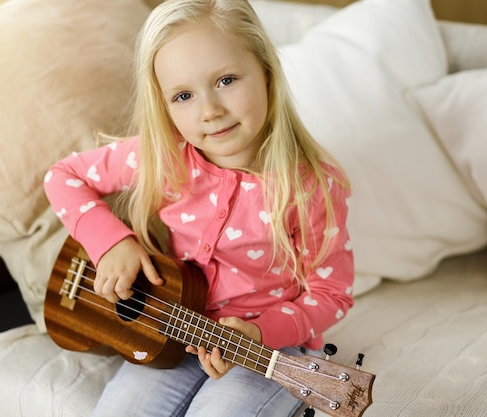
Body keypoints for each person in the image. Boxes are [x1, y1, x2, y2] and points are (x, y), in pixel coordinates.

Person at [43, 0, 354, 415]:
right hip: (164, 328)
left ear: (265, 70)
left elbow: (331, 293)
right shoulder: (162, 158)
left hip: (261, 345)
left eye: (226, 80)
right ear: (165, 105)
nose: (210, 111)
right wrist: (111, 243)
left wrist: (260, 333)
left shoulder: (311, 184)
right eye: (184, 95)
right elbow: (62, 177)